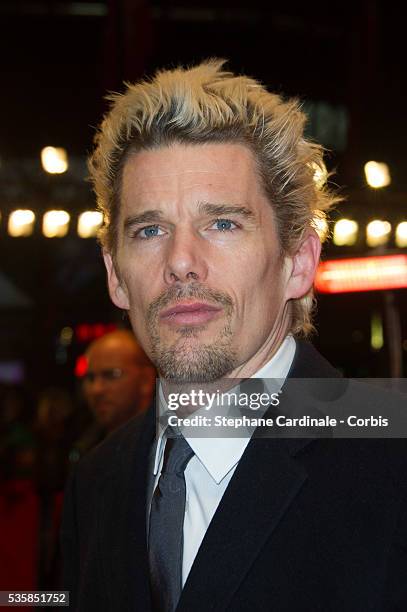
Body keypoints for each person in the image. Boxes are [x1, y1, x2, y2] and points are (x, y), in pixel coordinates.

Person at [61, 60, 407, 611]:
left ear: (297, 262)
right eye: (150, 230)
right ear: (114, 275)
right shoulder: (99, 481)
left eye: (223, 224)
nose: (180, 262)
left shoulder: (391, 461)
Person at [81, 329, 156, 438]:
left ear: (146, 380)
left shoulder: (168, 447)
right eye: (90, 378)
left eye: (111, 375)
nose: (96, 389)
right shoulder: (84, 446)